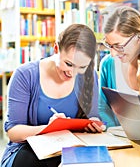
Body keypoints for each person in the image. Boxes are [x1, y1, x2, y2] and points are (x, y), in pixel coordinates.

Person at [1, 24, 103, 167]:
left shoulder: (89, 76)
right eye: (69, 64)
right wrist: (50, 128)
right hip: (28, 152)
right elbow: (14, 132)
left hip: (72, 149)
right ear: (56, 49)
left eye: (82, 67)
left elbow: (92, 117)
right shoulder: (25, 75)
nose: (73, 73)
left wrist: (93, 124)